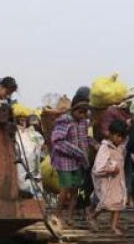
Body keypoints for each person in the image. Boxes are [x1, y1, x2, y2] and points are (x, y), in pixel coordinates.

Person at [51, 90, 92, 226]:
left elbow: (86, 138)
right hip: (65, 161)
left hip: (78, 161)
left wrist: (94, 144)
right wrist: (76, 151)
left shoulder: (84, 122)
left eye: (85, 112)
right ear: (74, 109)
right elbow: (57, 141)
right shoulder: (64, 121)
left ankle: (69, 216)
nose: (83, 115)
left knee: (75, 189)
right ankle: (57, 216)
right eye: (80, 112)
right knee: (65, 188)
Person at [88, 119, 129, 235]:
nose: (120, 139)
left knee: (118, 202)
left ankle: (113, 225)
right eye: (118, 136)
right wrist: (111, 168)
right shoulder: (105, 148)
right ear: (110, 134)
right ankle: (92, 216)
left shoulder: (121, 148)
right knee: (105, 202)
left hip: (118, 180)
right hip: (108, 180)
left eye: (122, 137)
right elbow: (99, 167)